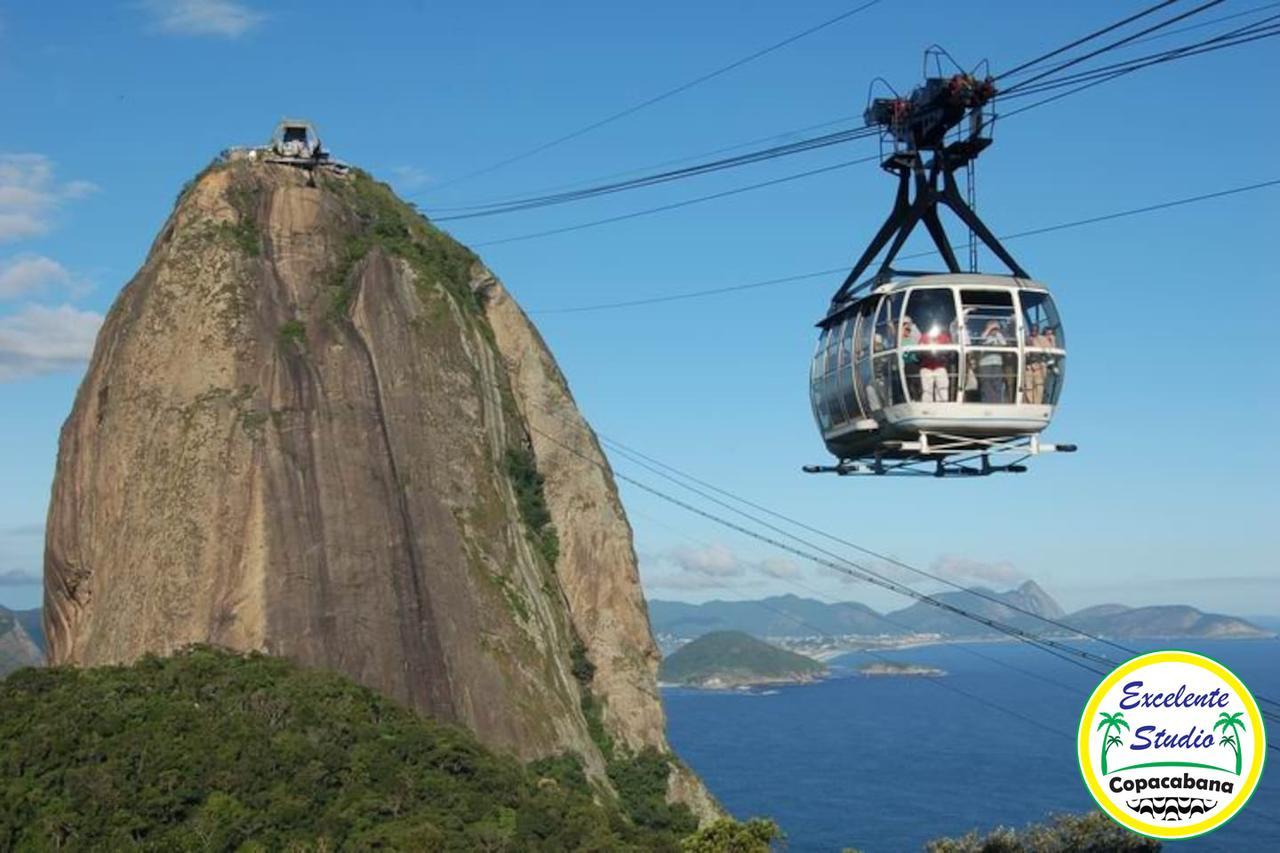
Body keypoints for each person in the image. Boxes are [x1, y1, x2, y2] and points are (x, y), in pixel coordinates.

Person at [916, 324, 952, 403]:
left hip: (940, 366)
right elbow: (919, 351)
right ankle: (926, 409)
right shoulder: (924, 337)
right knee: (926, 391)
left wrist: (940, 352)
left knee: (942, 388)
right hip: (926, 367)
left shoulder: (944, 337)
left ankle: (943, 407)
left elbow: (949, 351)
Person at [977, 319, 1009, 403]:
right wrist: (988, 329)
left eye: (996, 328)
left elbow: (1004, 344)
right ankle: (986, 403)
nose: (995, 330)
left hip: (997, 363)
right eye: (993, 328)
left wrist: (998, 334)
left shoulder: (998, 336)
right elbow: (981, 340)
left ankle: (997, 403)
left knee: (997, 384)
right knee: (987, 385)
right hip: (985, 364)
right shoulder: (984, 335)